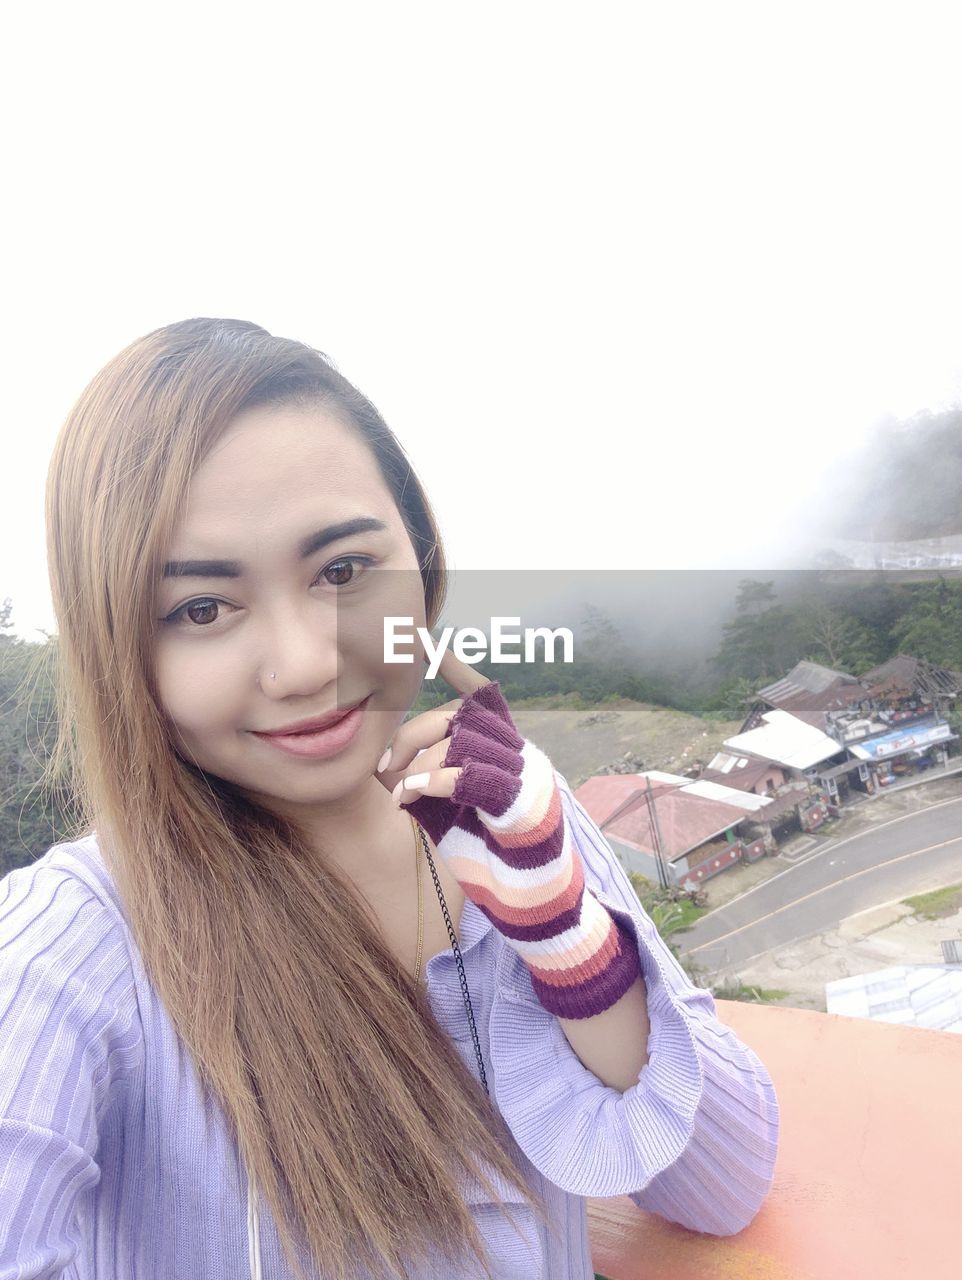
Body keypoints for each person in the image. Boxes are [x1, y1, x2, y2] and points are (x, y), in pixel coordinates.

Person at [0, 318, 780, 1280]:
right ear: (122, 646)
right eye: (202, 609)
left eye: (342, 571)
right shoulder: (76, 939)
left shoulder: (508, 815)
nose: (304, 664)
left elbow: (725, 1180)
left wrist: (563, 930)